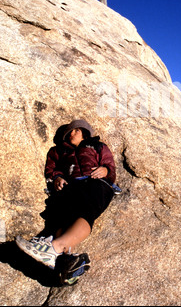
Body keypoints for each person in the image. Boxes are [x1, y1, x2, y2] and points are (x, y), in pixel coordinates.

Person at [16, 119, 118, 285]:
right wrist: (57, 177)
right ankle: (67, 265)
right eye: (69, 132)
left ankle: (54, 248)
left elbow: (110, 165)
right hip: (72, 186)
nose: (71, 134)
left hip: (97, 184)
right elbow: (51, 167)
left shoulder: (98, 146)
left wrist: (105, 170)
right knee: (64, 217)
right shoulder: (59, 151)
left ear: (84, 132)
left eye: (75, 131)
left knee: (86, 212)